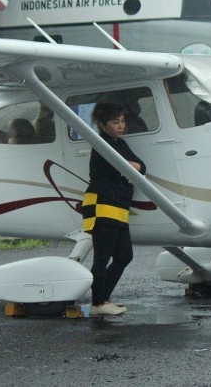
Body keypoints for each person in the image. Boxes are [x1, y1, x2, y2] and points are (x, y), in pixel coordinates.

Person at [82, 102, 146, 316]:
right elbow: (125, 166)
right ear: (103, 124)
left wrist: (134, 165)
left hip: (117, 207)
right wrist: (133, 166)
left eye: (123, 121)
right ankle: (98, 303)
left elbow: (141, 166)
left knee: (124, 255)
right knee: (102, 257)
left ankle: (102, 299)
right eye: (115, 122)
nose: (121, 126)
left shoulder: (119, 143)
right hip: (102, 205)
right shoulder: (101, 144)